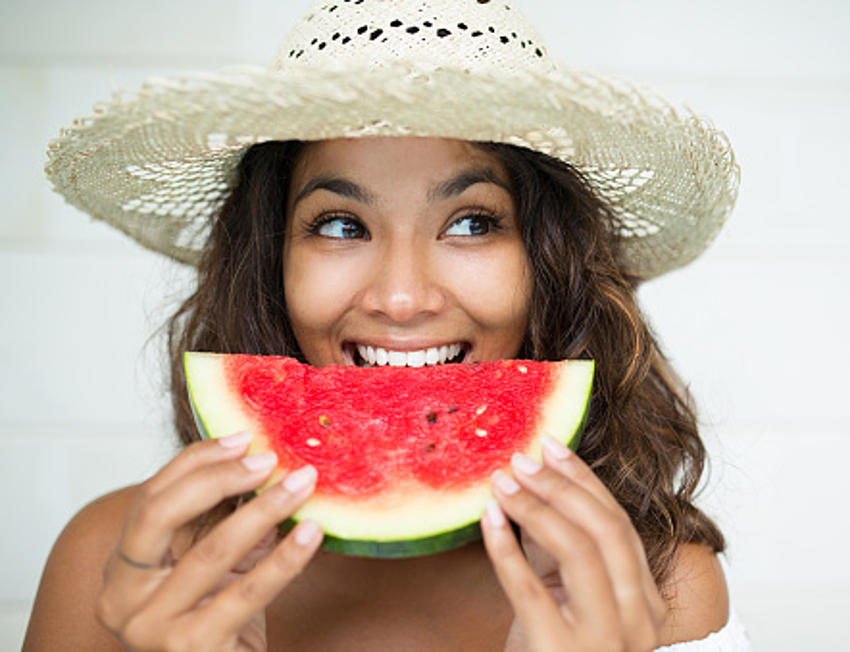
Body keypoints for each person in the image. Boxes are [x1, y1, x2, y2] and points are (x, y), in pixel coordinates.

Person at [26, 1, 749, 650]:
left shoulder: (660, 586)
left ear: (548, 260)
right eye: (340, 225)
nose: (401, 299)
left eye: (472, 222)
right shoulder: (115, 561)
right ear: (271, 260)